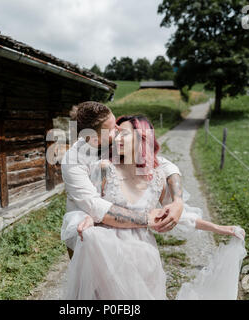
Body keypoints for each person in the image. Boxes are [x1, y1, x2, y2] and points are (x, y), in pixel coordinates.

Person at [63, 114, 246, 299]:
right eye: (116, 133)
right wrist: (90, 218)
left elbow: (175, 214)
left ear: (142, 138)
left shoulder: (157, 178)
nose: (116, 138)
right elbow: (93, 205)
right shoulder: (103, 168)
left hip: (143, 257)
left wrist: (221, 228)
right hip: (108, 256)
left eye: (124, 134)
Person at [60, 102, 185, 258]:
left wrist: (178, 201)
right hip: (85, 234)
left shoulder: (113, 142)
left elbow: (165, 165)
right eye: (113, 129)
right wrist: (147, 218)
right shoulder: (73, 160)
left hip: (122, 232)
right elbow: (95, 206)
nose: (119, 130)